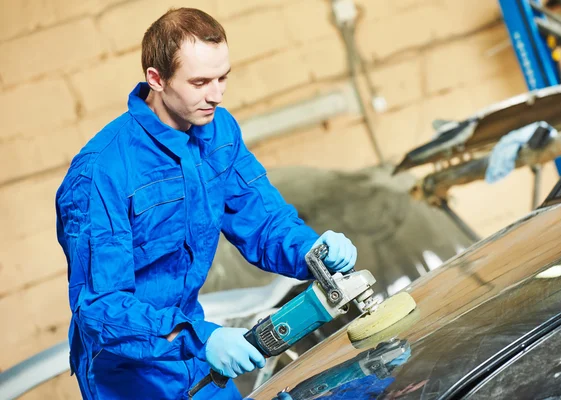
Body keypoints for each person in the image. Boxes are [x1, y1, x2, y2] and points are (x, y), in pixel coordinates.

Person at [55, 7, 357, 400]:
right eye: (200, 82)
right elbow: (101, 309)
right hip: (127, 375)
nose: (216, 95)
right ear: (156, 79)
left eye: (222, 78)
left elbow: (263, 223)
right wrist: (200, 338)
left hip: (196, 351)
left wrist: (313, 251)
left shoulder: (218, 132)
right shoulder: (101, 173)